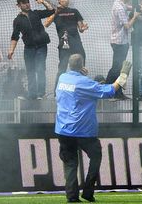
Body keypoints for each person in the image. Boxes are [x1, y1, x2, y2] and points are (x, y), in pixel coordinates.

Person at [56, 54, 132, 203]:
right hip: (83, 131)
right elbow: (110, 90)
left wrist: (80, 74)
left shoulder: (62, 78)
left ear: (70, 65)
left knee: (70, 164)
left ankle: (72, 197)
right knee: (96, 156)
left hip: (63, 130)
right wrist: (123, 75)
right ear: (82, 65)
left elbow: (75, 84)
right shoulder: (85, 83)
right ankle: (88, 192)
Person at [7, 0, 55, 99]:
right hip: (29, 48)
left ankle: (41, 93)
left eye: (28, 2)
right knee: (30, 70)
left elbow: (51, 11)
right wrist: (11, 50)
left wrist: (43, 2)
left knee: (40, 68)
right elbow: (15, 36)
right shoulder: (17, 20)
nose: (27, 4)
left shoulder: (36, 13)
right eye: (24, 3)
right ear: (19, 5)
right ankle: (32, 94)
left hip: (41, 46)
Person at [44, 0, 88, 90]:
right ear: (59, 0)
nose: (66, 1)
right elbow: (46, 24)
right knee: (62, 69)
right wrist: (55, 12)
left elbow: (81, 28)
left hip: (76, 43)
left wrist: (83, 28)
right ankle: (57, 92)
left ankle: (81, 89)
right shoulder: (56, 12)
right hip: (64, 43)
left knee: (82, 67)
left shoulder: (75, 11)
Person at [105, 0, 139, 99]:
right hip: (119, 42)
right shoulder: (119, 8)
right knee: (116, 68)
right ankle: (108, 90)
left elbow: (128, 7)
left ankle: (117, 92)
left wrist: (136, 7)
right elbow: (127, 26)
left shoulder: (119, 3)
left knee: (118, 68)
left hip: (121, 41)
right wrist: (135, 16)